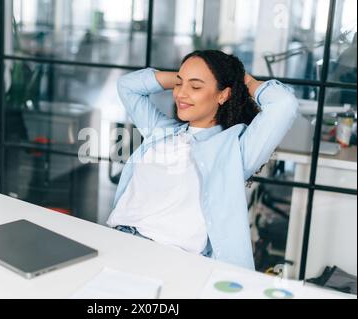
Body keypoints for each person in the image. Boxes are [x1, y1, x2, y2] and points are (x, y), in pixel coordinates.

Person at [106, 50, 299, 270]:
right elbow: (127, 86)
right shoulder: (161, 130)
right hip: (119, 239)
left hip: (171, 261)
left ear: (222, 95)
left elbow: (284, 104)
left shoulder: (235, 151)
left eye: (196, 87)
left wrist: (242, 80)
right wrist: (184, 78)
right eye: (179, 85)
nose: (180, 94)